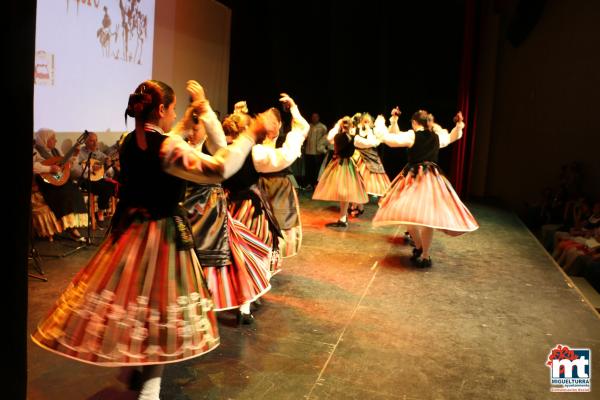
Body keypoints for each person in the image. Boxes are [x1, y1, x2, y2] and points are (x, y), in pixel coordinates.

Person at [31, 79, 270, 400]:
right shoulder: (167, 147)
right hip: (161, 239)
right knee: (159, 309)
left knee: (135, 304)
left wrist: (190, 117)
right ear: (161, 110)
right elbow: (218, 168)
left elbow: (167, 141)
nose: (175, 116)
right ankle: (149, 389)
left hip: (129, 234)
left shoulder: (132, 140)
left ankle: (138, 374)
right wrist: (250, 135)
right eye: (173, 110)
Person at [175, 82, 271, 325]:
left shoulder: (212, 148)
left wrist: (204, 108)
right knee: (188, 261)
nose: (194, 132)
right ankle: (191, 306)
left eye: (199, 127)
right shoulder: (179, 149)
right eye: (192, 127)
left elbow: (221, 148)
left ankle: (243, 304)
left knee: (234, 258)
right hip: (188, 212)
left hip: (214, 214)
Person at [372, 109, 479, 267]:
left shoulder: (413, 135)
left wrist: (380, 124)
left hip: (416, 177)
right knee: (424, 217)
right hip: (432, 178)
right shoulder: (437, 137)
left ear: (415, 123)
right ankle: (424, 252)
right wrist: (458, 125)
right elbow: (452, 137)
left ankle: (422, 249)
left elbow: (390, 140)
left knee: (408, 214)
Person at [257, 95, 310, 258]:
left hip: (280, 190)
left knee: (280, 225)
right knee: (260, 226)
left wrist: (293, 108)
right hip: (259, 188)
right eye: (266, 120)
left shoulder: (285, 141)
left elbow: (303, 128)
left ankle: (273, 259)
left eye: (273, 121)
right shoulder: (256, 141)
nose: (269, 124)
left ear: (280, 124)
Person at [312, 116, 368, 228]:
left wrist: (337, 125)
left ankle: (344, 216)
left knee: (345, 193)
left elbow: (329, 137)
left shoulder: (340, 137)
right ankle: (344, 216)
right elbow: (367, 143)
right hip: (346, 165)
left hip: (342, 165)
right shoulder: (352, 137)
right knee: (346, 192)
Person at [33, 128, 89, 241]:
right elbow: (34, 166)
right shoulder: (36, 151)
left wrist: (75, 155)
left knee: (75, 191)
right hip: (46, 184)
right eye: (53, 138)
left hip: (58, 180)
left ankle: (73, 226)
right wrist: (49, 168)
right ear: (45, 139)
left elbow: (66, 167)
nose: (56, 141)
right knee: (64, 195)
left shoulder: (55, 151)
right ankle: (71, 229)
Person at [74, 131, 118, 223]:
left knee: (113, 186)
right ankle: (100, 212)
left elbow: (109, 174)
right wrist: (90, 168)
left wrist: (108, 166)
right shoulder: (80, 153)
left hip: (99, 179)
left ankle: (101, 210)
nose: (95, 143)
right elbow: (75, 170)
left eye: (96, 140)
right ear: (85, 142)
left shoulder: (100, 154)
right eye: (91, 141)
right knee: (106, 187)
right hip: (85, 180)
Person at [303, 112, 329, 190]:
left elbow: (326, 139)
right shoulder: (308, 126)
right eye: (313, 117)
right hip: (308, 151)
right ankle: (309, 184)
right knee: (308, 168)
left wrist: (323, 148)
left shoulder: (323, 127)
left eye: (315, 117)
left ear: (318, 118)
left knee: (316, 169)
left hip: (317, 152)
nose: (314, 118)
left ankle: (315, 184)